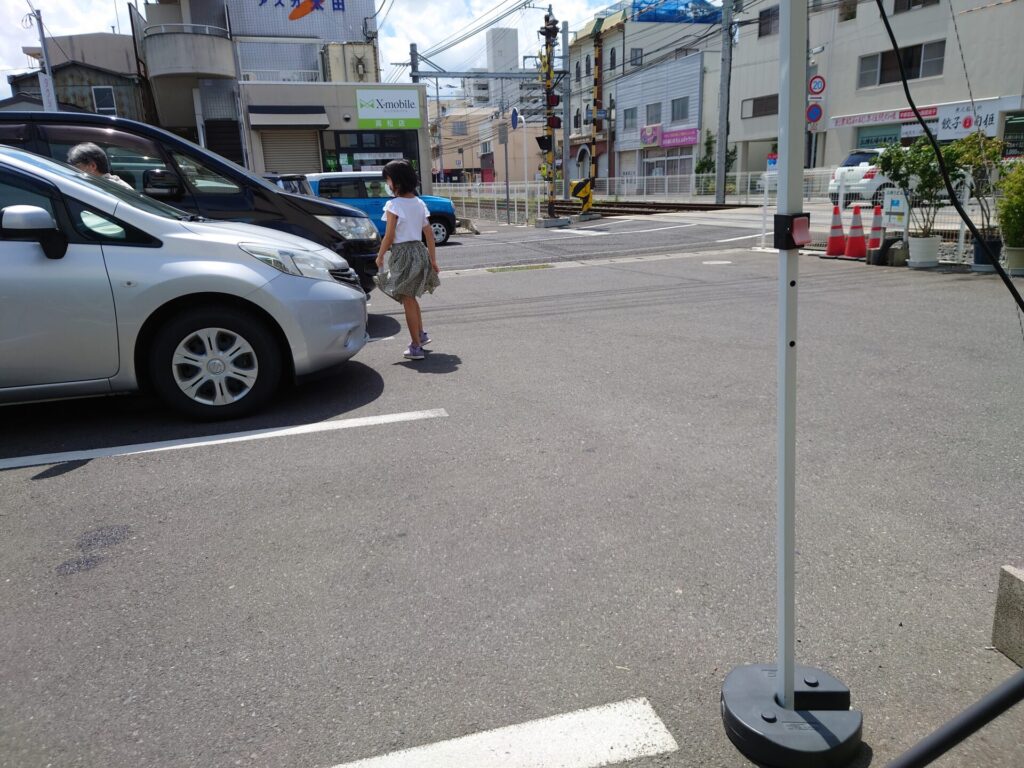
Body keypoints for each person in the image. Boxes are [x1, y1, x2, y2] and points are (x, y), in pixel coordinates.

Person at [374, 160, 440, 361]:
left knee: (407, 299)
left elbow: (389, 235)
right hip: (419, 252)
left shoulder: (394, 205)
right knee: (411, 297)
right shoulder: (419, 203)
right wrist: (433, 260)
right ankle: (421, 335)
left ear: (396, 181)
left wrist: (380, 255)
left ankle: (415, 346)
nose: (387, 183)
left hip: (402, 255)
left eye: (388, 179)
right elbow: (429, 234)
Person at [67, 143, 132, 189]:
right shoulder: (113, 185)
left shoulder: (107, 189)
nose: (74, 172)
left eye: (76, 167)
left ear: (92, 166)